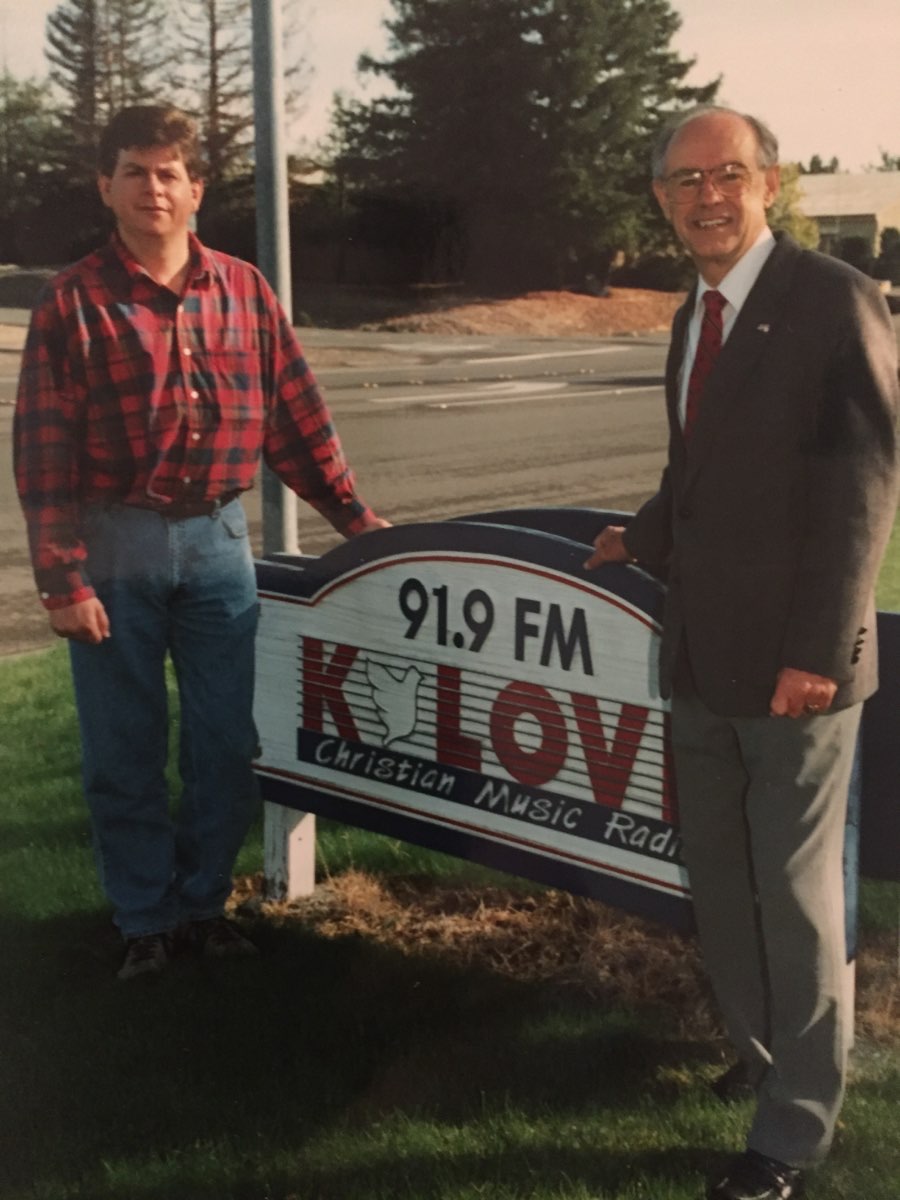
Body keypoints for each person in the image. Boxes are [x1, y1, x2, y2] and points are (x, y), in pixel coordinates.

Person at [585, 106, 898, 1200]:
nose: (705, 196)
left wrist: (817, 650)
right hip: (702, 657)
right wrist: (645, 534)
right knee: (720, 879)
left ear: (770, 183)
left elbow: (862, 489)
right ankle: (766, 1062)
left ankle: (795, 1132)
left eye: (727, 174)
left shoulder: (831, 300)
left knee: (796, 892)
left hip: (797, 671)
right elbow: (698, 473)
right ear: (662, 199)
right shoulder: (692, 317)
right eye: (682, 181)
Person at [14, 105, 388, 982]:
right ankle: (146, 919)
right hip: (115, 547)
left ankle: (204, 906)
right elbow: (42, 452)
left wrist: (354, 517)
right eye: (136, 172)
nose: (154, 188)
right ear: (106, 187)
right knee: (124, 750)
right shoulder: (72, 300)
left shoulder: (245, 290)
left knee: (228, 742)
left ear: (197, 190)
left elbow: (296, 415)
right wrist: (64, 578)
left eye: (169, 173)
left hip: (220, 543)